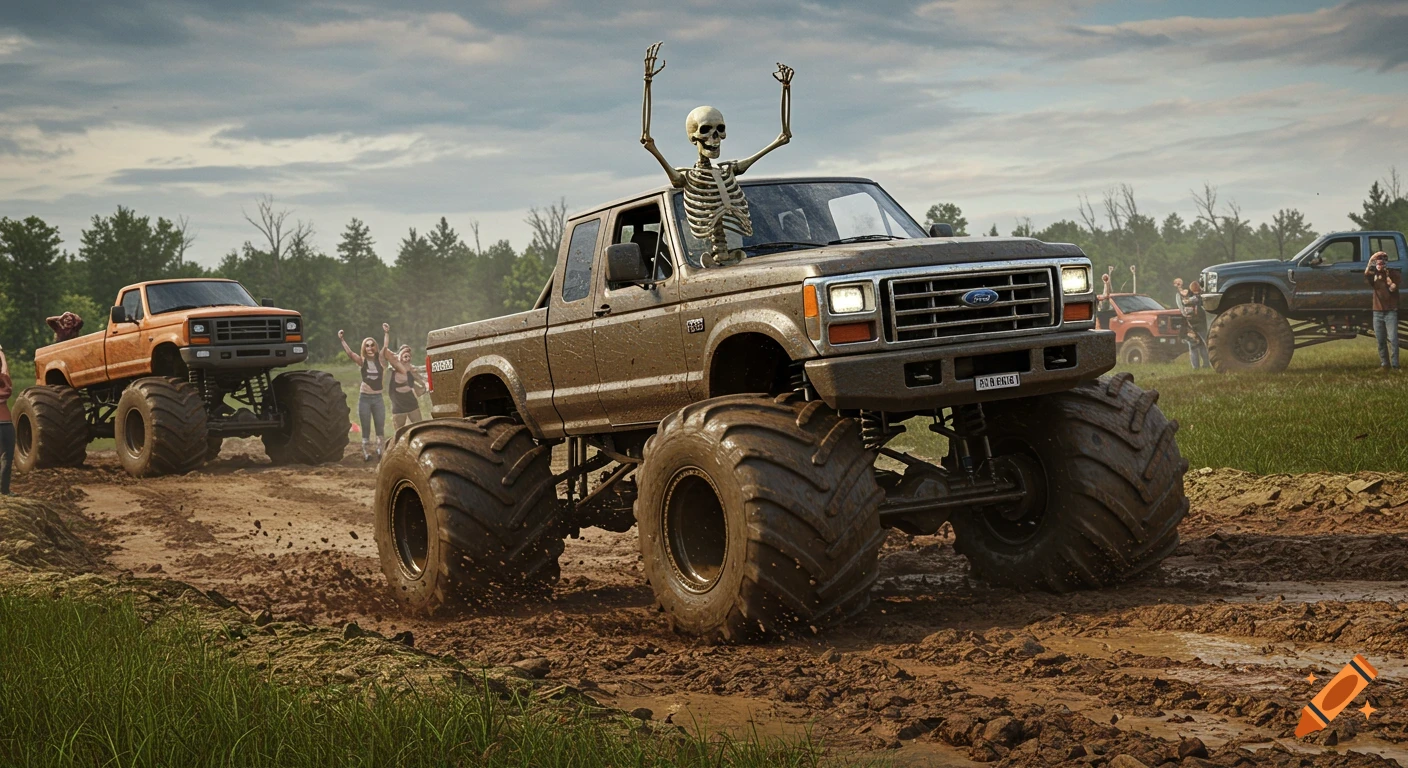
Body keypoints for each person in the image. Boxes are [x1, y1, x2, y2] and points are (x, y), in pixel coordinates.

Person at [339, 324, 391, 461]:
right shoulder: (362, 361)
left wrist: (386, 333)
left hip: (378, 398)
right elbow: (350, 354)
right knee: (366, 425)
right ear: (364, 348)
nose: (369, 348)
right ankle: (366, 451)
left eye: (372, 345)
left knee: (380, 424)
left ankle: (380, 449)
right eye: (367, 346)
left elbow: (385, 347)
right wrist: (342, 340)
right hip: (365, 398)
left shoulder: (380, 359)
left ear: (375, 347)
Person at [1364, 251, 1401, 371]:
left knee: (1393, 339)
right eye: (1377, 263)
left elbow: (1393, 288)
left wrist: (1387, 276)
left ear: (1385, 263)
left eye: (1381, 262)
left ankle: (1395, 365)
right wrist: (1371, 260)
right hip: (1377, 311)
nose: (1379, 265)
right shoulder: (1373, 275)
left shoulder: (1393, 273)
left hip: (1390, 311)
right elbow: (1366, 273)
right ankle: (1384, 364)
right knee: (1380, 339)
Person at [384, 343, 427, 430]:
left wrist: (423, 385)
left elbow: (422, 377)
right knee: (399, 431)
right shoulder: (394, 366)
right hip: (398, 402)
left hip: (410, 400)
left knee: (419, 426)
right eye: (405, 354)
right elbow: (385, 352)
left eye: (409, 355)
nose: (407, 359)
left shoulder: (411, 369)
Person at [1183, 280, 1209, 369]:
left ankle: (1195, 367)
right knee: (1204, 345)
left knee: (1193, 347)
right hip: (1201, 324)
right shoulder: (1202, 297)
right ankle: (1206, 364)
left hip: (1191, 325)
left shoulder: (1187, 300)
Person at [0, 345, 13, 495]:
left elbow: (5, 373)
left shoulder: (4, 379)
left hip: (6, 423)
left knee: (8, 457)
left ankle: (4, 490)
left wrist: (1, 354)